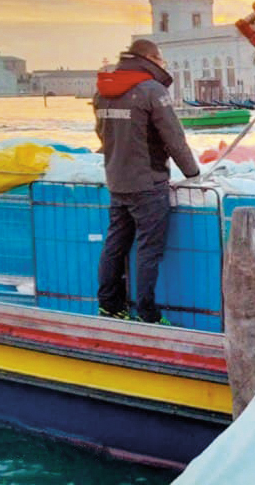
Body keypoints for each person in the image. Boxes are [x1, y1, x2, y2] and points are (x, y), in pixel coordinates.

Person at [94, 39, 200, 324]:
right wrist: (192, 173)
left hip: (117, 180)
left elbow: (102, 134)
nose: (163, 65)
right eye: (161, 60)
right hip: (148, 183)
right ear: (151, 59)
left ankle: (109, 306)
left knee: (114, 245)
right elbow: (174, 138)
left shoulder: (103, 89)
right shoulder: (152, 90)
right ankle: (148, 314)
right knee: (148, 250)